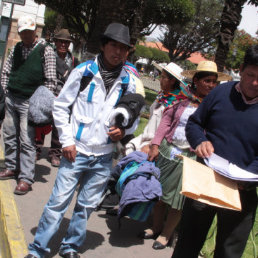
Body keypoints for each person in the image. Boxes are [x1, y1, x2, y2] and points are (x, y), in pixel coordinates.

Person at [26, 22, 138, 258]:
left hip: (104, 157)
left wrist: (124, 131)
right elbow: (60, 106)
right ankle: (37, 250)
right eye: (113, 46)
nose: (117, 52)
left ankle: (70, 247)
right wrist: (66, 141)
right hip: (76, 152)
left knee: (85, 207)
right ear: (104, 45)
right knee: (58, 204)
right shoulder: (84, 72)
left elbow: (134, 117)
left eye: (123, 48)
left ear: (128, 52)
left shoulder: (129, 81)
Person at [172, 45, 258, 258]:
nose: (255, 83)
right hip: (205, 181)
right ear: (241, 69)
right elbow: (194, 124)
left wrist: (249, 177)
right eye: (251, 75)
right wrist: (200, 141)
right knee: (187, 245)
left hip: (242, 192)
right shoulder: (220, 92)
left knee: (229, 252)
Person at [146, 61, 232, 250]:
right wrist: (155, 144)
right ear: (196, 80)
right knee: (158, 193)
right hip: (168, 151)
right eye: (207, 81)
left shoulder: (216, 109)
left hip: (191, 159)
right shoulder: (181, 101)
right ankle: (155, 226)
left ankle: (166, 235)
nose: (211, 85)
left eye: (214, 82)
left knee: (178, 200)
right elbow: (166, 122)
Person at [0, 15, 57, 195]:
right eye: (23, 32)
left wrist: (40, 104)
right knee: (9, 135)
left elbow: (50, 81)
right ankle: (11, 167)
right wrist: (4, 91)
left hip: (29, 103)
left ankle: (26, 178)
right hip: (12, 97)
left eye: (28, 31)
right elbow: (6, 71)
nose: (25, 35)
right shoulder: (16, 48)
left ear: (35, 31)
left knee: (27, 141)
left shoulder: (45, 50)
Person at [36, 28, 79, 167]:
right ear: (55, 42)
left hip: (64, 99)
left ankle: (55, 152)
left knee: (58, 127)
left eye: (66, 42)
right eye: (61, 41)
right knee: (41, 123)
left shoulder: (74, 61)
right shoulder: (47, 56)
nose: (63, 45)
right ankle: (37, 149)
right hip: (46, 94)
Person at [126, 62, 188, 156]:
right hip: (144, 140)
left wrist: (152, 145)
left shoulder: (177, 103)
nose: (159, 79)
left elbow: (168, 130)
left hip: (154, 147)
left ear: (172, 81)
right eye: (160, 76)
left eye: (163, 77)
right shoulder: (161, 96)